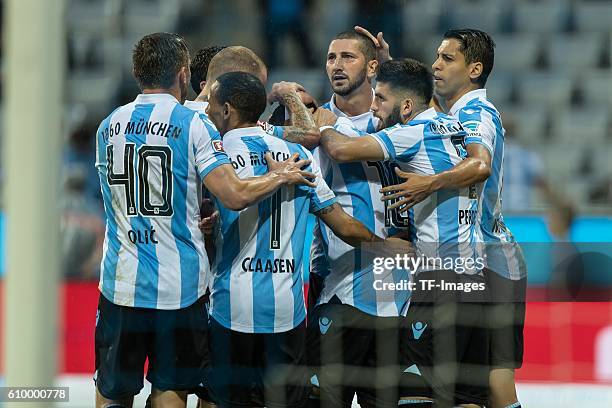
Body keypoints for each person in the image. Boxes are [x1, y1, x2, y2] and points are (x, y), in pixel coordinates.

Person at [94, 32, 317, 408]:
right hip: (179, 286)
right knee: (171, 389)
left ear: (137, 73)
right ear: (183, 74)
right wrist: (282, 175)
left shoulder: (108, 125)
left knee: (113, 391)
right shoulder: (196, 124)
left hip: (121, 281)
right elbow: (233, 193)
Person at [204, 71, 407, 408]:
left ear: (227, 110)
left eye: (212, 105)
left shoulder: (217, 152)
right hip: (287, 308)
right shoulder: (298, 154)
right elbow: (342, 224)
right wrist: (385, 246)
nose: (208, 112)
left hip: (231, 304)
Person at [366, 28, 527, 408]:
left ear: (475, 68)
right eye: (436, 57)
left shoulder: (477, 113)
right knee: (476, 386)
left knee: (490, 383)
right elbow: (419, 107)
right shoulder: (451, 115)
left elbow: (480, 165)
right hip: (489, 262)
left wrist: (429, 183)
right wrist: (392, 68)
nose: (436, 65)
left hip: (488, 262)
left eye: (447, 59)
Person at [318, 58, 488, 407]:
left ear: (407, 105)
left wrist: (326, 124)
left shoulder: (412, 132)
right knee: (465, 396)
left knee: (414, 390)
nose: (374, 107)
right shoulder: (452, 124)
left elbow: (340, 149)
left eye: (380, 98)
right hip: (476, 277)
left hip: (439, 280)